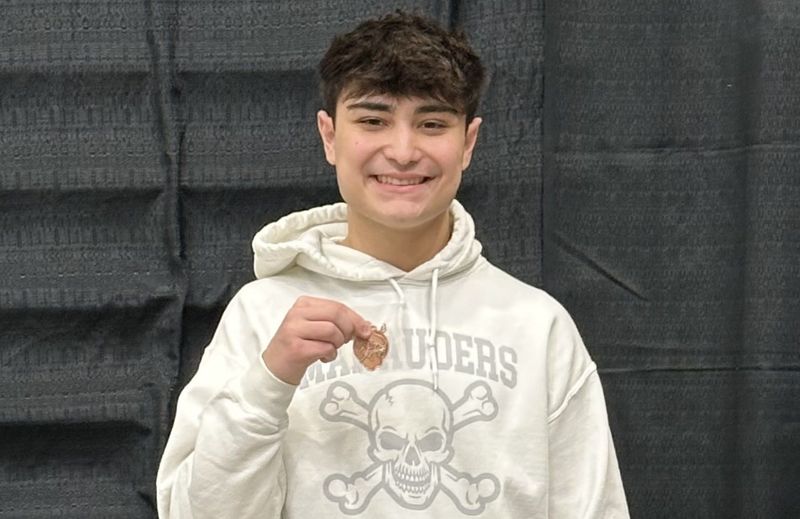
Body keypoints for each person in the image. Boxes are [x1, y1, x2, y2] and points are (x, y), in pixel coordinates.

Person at [156, 10, 629, 518]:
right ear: (329, 135)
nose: (403, 151)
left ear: (467, 142)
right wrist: (268, 383)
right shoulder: (263, 316)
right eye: (373, 120)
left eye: (431, 124)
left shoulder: (539, 328)